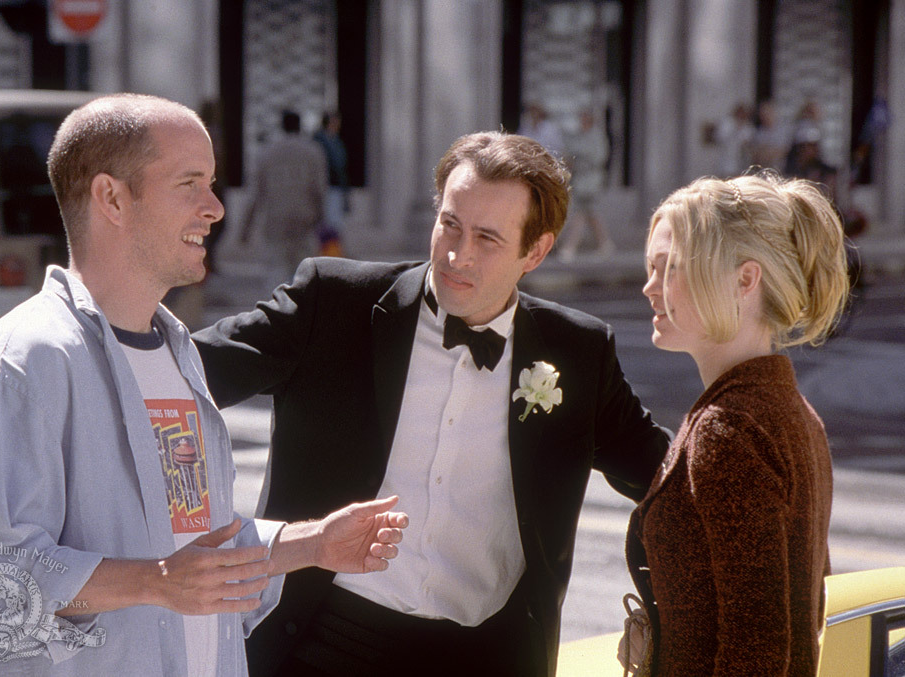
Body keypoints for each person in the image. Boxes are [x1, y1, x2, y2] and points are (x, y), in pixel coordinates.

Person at [0, 93, 407, 676]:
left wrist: (310, 546)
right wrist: (154, 583)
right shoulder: (21, 365)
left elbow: (192, 546)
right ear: (111, 197)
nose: (215, 208)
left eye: (212, 184)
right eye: (191, 183)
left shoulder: (179, 354)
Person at [193, 131, 671, 677]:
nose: (456, 255)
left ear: (535, 250)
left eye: (488, 239)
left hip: (486, 655)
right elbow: (186, 374)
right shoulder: (332, 302)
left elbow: (670, 478)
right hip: (320, 637)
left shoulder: (578, 352)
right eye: (450, 224)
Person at [624, 173, 850, 676]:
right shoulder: (790, 411)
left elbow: (759, 650)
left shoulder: (727, 430)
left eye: (671, 268)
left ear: (745, 280)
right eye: (650, 267)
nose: (648, 286)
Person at [241, 109, 328, 284]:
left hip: (276, 219)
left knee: (276, 269)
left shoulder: (267, 152)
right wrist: (321, 217)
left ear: (282, 126)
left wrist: (245, 228)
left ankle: (277, 308)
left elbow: (256, 194)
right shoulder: (313, 152)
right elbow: (319, 189)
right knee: (304, 269)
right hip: (304, 218)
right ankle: (301, 308)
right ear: (300, 126)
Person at [559, 108, 615, 261]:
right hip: (580, 180)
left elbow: (598, 157)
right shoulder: (578, 137)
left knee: (582, 213)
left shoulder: (596, 137)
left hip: (592, 180)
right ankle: (605, 244)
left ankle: (570, 247)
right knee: (590, 214)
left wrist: (580, 159)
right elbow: (570, 154)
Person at [312, 110, 349, 254]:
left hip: (336, 187)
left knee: (335, 224)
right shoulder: (320, 141)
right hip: (326, 186)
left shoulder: (335, 141)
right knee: (327, 224)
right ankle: (328, 253)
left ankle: (333, 252)